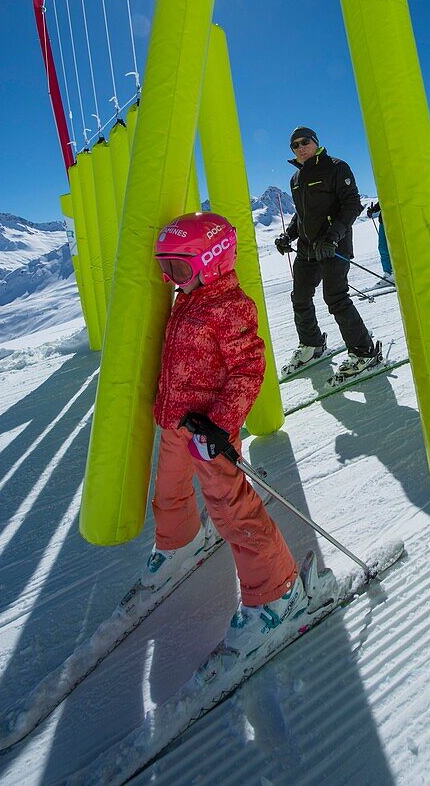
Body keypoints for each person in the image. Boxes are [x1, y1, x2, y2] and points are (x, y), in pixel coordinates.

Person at [145, 211, 306, 655]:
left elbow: (249, 368)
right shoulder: (188, 298)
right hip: (177, 420)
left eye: (177, 268)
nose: (171, 279)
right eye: (166, 268)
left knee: (232, 509)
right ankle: (179, 542)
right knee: (169, 490)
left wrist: (221, 422)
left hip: (210, 431)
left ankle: (277, 590)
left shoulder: (231, 307)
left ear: (213, 259)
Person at [275, 126, 381, 379]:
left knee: (335, 298)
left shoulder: (336, 167)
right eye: (295, 145)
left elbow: (352, 205)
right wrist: (289, 235)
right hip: (307, 251)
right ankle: (312, 344)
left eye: (304, 142)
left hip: (334, 248)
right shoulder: (296, 178)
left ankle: (364, 352)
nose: (300, 148)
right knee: (300, 298)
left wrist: (333, 236)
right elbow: (301, 215)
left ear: (315, 142)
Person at [366, 200, 395, 284]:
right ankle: (388, 273)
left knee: (395, 247)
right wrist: (373, 209)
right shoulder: (387, 189)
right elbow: (382, 201)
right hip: (383, 221)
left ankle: (396, 271)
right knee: (383, 247)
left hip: (396, 220)